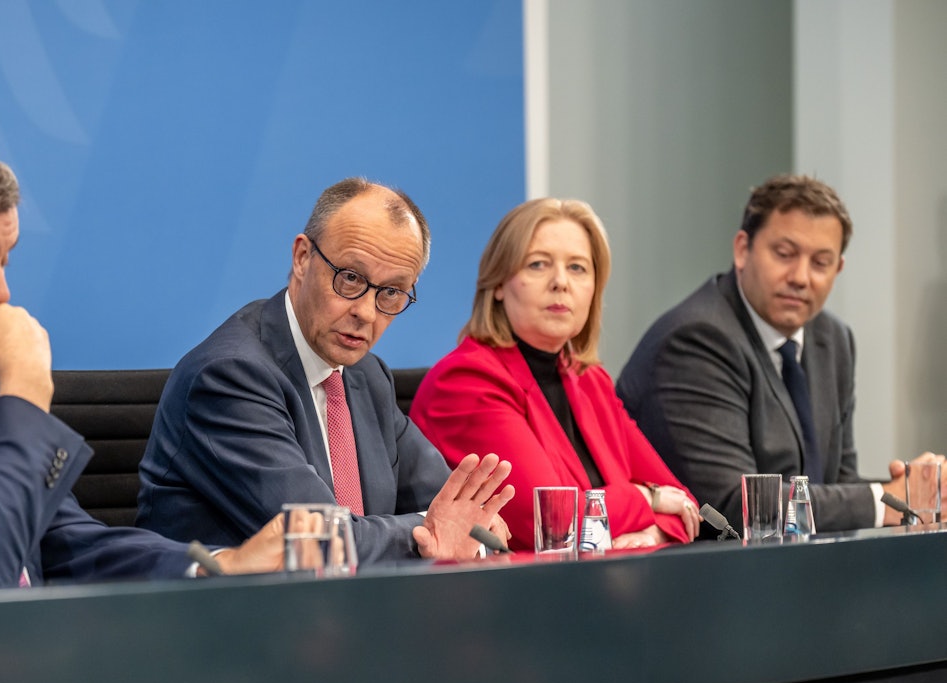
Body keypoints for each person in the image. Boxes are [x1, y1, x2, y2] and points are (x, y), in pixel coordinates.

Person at [0, 133, 281, 588]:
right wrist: (27, 393)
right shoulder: (2, 379)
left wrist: (217, 564)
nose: (0, 292)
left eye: (3, 263)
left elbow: (61, 539)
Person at [138, 178, 514, 563]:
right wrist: (439, 530)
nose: (366, 313)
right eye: (350, 278)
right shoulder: (229, 376)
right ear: (302, 258)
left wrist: (468, 525)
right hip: (230, 615)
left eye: (391, 292)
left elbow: (453, 505)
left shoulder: (366, 375)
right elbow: (319, 539)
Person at [616, 174, 945, 537]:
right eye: (784, 254)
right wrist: (886, 499)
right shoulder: (696, 340)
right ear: (743, 250)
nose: (801, 277)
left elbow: (838, 481)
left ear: (838, 269)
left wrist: (920, 495)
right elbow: (734, 506)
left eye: (821, 262)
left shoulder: (831, 339)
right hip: (707, 577)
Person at [410, 198, 698, 551]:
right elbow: (552, 523)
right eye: (538, 264)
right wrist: (646, 499)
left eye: (577, 268)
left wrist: (653, 534)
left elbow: (682, 502)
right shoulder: (465, 381)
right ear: (499, 283)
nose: (560, 282)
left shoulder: (590, 380)